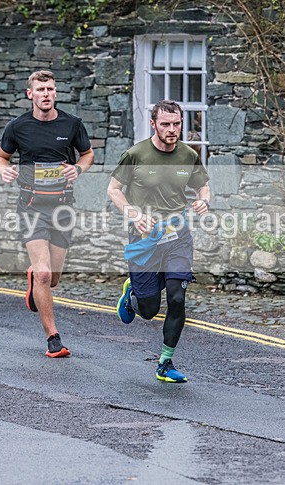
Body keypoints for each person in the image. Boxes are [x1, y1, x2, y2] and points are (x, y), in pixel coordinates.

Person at [108, 99, 210, 383]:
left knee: (177, 297)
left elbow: (203, 186)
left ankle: (165, 363)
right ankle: (132, 296)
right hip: (144, 240)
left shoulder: (188, 154)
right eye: (165, 124)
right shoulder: (136, 154)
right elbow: (114, 189)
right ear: (153, 124)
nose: (172, 129)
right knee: (150, 309)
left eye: (176, 124)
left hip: (178, 237)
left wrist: (203, 200)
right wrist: (133, 213)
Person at [0, 70, 94, 358]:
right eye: (40, 90)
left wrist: (78, 168)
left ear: (56, 93)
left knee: (53, 279)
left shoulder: (72, 124)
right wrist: (5, 170)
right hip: (31, 206)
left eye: (50, 89)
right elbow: (1, 157)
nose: (46, 94)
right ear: (30, 94)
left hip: (62, 206)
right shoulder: (17, 127)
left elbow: (87, 154)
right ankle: (53, 337)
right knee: (43, 273)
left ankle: (36, 281)